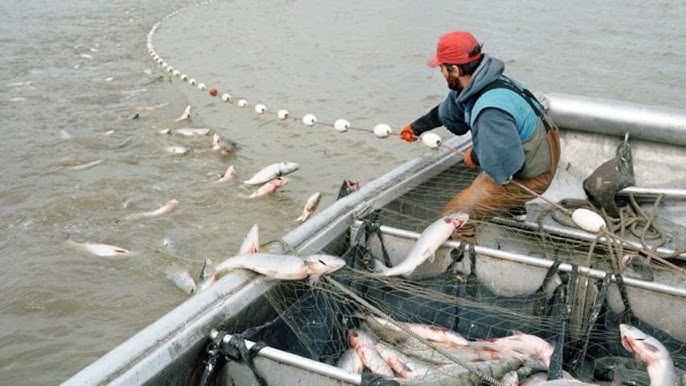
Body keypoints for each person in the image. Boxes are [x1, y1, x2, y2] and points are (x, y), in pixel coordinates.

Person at [400, 30, 561, 244]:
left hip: (532, 175)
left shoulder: (490, 111)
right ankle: (514, 208)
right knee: (492, 153)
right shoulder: (483, 81)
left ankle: (464, 270)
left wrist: (475, 156)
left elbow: (505, 163)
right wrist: (417, 127)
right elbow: (449, 110)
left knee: (453, 218)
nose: (440, 72)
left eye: (441, 68)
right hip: (542, 149)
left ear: (454, 70)